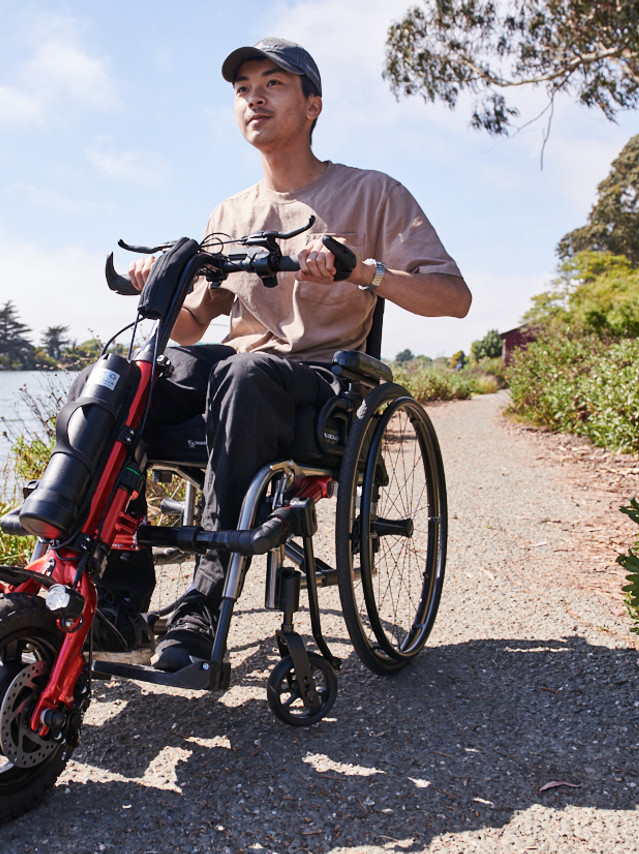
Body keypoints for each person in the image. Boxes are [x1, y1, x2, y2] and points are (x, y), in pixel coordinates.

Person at [106, 37, 471, 670]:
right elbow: (195, 327)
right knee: (120, 380)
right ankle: (111, 596)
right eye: (243, 88)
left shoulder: (371, 193)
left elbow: (454, 299)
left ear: (313, 105)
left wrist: (364, 271)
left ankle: (204, 599)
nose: (253, 97)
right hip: (237, 373)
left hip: (322, 382)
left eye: (273, 84)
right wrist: (159, 288)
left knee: (246, 372)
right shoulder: (232, 211)